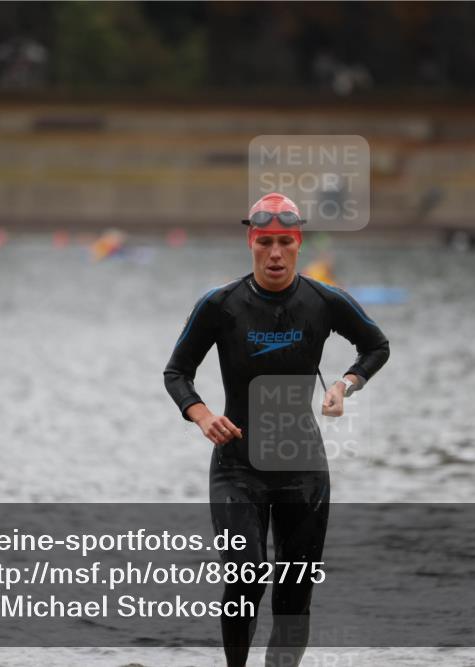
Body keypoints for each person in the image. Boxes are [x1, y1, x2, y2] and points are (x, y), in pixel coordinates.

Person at [163, 193, 390, 667]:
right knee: (246, 574)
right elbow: (177, 372)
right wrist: (202, 415)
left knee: (295, 588)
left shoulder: (324, 301)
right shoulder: (220, 305)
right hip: (237, 465)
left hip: (303, 466)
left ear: (298, 243)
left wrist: (346, 385)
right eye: (264, 242)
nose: (274, 253)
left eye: (284, 242)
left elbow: (376, 345)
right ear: (251, 242)